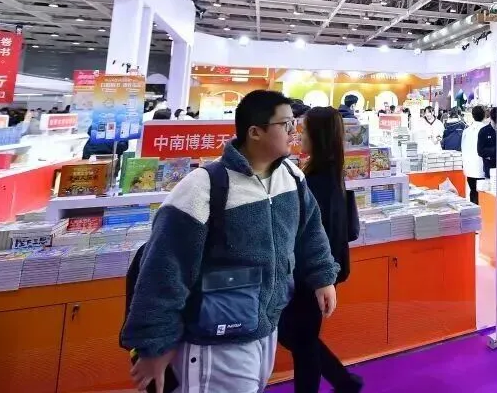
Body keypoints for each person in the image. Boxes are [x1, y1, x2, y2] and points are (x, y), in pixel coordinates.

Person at [121, 90, 340, 393]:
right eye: (286, 124)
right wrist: (155, 343)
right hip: (215, 337)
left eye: (295, 123)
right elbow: (164, 268)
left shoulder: (291, 177)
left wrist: (323, 277)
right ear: (255, 132)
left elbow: (310, 230)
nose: (295, 131)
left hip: (265, 326)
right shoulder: (202, 186)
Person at [281, 107, 363, 393]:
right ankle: (344, 381)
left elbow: (312, 232)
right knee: (301, 338)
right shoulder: (328, 172)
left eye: (304, 130)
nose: (298, 135)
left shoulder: (316, 180)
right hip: (319, 270)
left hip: (311, 272)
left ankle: (344, 381)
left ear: (317, 135)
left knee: (300, 339)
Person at [461, 105, 486, 204]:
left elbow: (463, 148)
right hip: (482, 168)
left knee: (473, 192)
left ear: (472, 115)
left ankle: (473, 210)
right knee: (483, 194)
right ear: (484, 115)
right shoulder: (486, 130)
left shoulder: (466, 131)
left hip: (469, 168)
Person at [477, 107, 497, 180]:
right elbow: (480, 151)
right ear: (491, 119)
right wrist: (496, 150)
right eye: (495, 122)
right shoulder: (483, 131)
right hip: (489, 169)